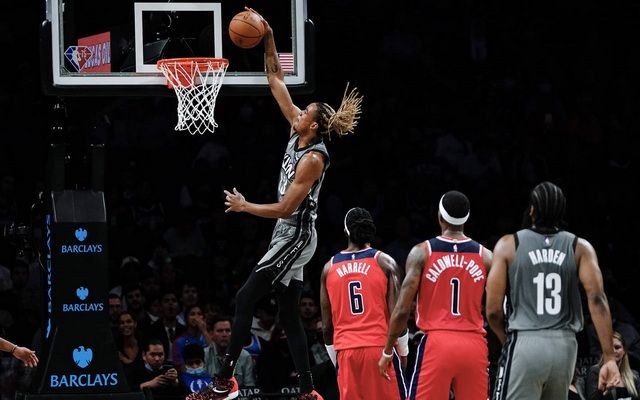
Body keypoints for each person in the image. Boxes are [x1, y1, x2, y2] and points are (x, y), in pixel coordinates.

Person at [188, 7, 363, 400]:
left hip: (297, 234)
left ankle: (223, 382)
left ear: (313, 125)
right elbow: (274, 78)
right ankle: (308, 391)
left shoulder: (313, 158)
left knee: (244, 298)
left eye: (304, 113)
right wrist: (267, 36)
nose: (297, 112)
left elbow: (286, 209)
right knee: (288, 312)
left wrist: (245, 206)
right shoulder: (298, 128)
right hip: (288, 232)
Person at [485, 181, 621, 400]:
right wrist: (609, 357)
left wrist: (505, 339)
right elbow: (597, 299)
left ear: (532, 210)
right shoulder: (580, 247)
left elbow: (492, 310)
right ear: (562, 211)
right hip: (564, 347)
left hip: (526, 341)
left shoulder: (509, 244)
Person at [379, 190, 492, 400]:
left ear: (439, 217)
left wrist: (388, 350)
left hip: (436, 343)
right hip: (474, 343)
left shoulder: (422, 252)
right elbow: (496, 308)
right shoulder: (486, 256)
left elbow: (402, 309)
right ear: (466, 219)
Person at [320, 207, 407, 400]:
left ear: (346, 232)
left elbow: (327, 328)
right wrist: (403, 352)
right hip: (380, 349)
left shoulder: (329, 268)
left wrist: (338, 361)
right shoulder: (386, 262)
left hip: (346, 354)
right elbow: (398, 316)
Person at [203, 315, 256, 387]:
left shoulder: (245, 356)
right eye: (220, 331)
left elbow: (250, 386)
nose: (224, 334)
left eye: (227, 330)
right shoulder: (204, 355)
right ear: (211, 334)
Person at [586, 331, 639, 400]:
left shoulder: (634, 376)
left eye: (617, 347)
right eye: (609, 348)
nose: (613, 351)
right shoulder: (596, 371)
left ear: (624, 351)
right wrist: (602, 389)